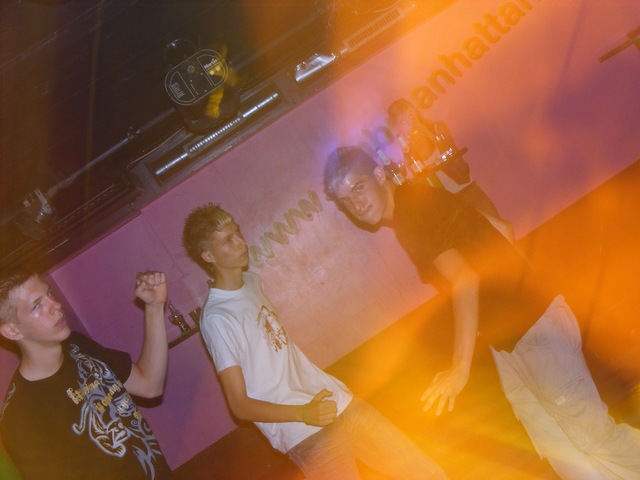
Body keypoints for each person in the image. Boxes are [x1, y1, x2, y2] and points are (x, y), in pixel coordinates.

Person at [324, 146, 640, 480]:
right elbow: (502, 228)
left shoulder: (411, 215)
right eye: (345, 200)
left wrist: (459, 368)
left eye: (358, 188)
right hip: (515, 338)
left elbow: (463, 280)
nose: (355, 204)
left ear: (378, 174)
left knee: (593, 437)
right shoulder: (420, 201)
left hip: (532, 330)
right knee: (562, 451)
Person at [181, 203, 447, 480]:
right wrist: (304, 413)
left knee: (426, 472)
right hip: (304, 431)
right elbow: (239, 405)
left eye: (237, 232)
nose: (240, 242)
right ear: (208, 255)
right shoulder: (217, 317)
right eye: (228, 240)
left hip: (335, 400)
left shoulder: (252, 282)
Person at [0, 270, 172, 480]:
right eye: (37, 305)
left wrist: (154, 307)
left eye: (50, 294)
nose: (56, 305)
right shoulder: (21, 416)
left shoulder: (78, 346)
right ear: (12, 331)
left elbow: (149, 385)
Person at [387, 98, 504, 222]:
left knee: (499, 227)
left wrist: (426, 135)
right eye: (404, 120)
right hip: (449, 208)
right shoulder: (406, 154)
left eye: (411, 114)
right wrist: (408, 148)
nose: (411, 121)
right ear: (398, 128)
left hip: (468, 193)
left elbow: (450, 154)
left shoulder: (436, 129)